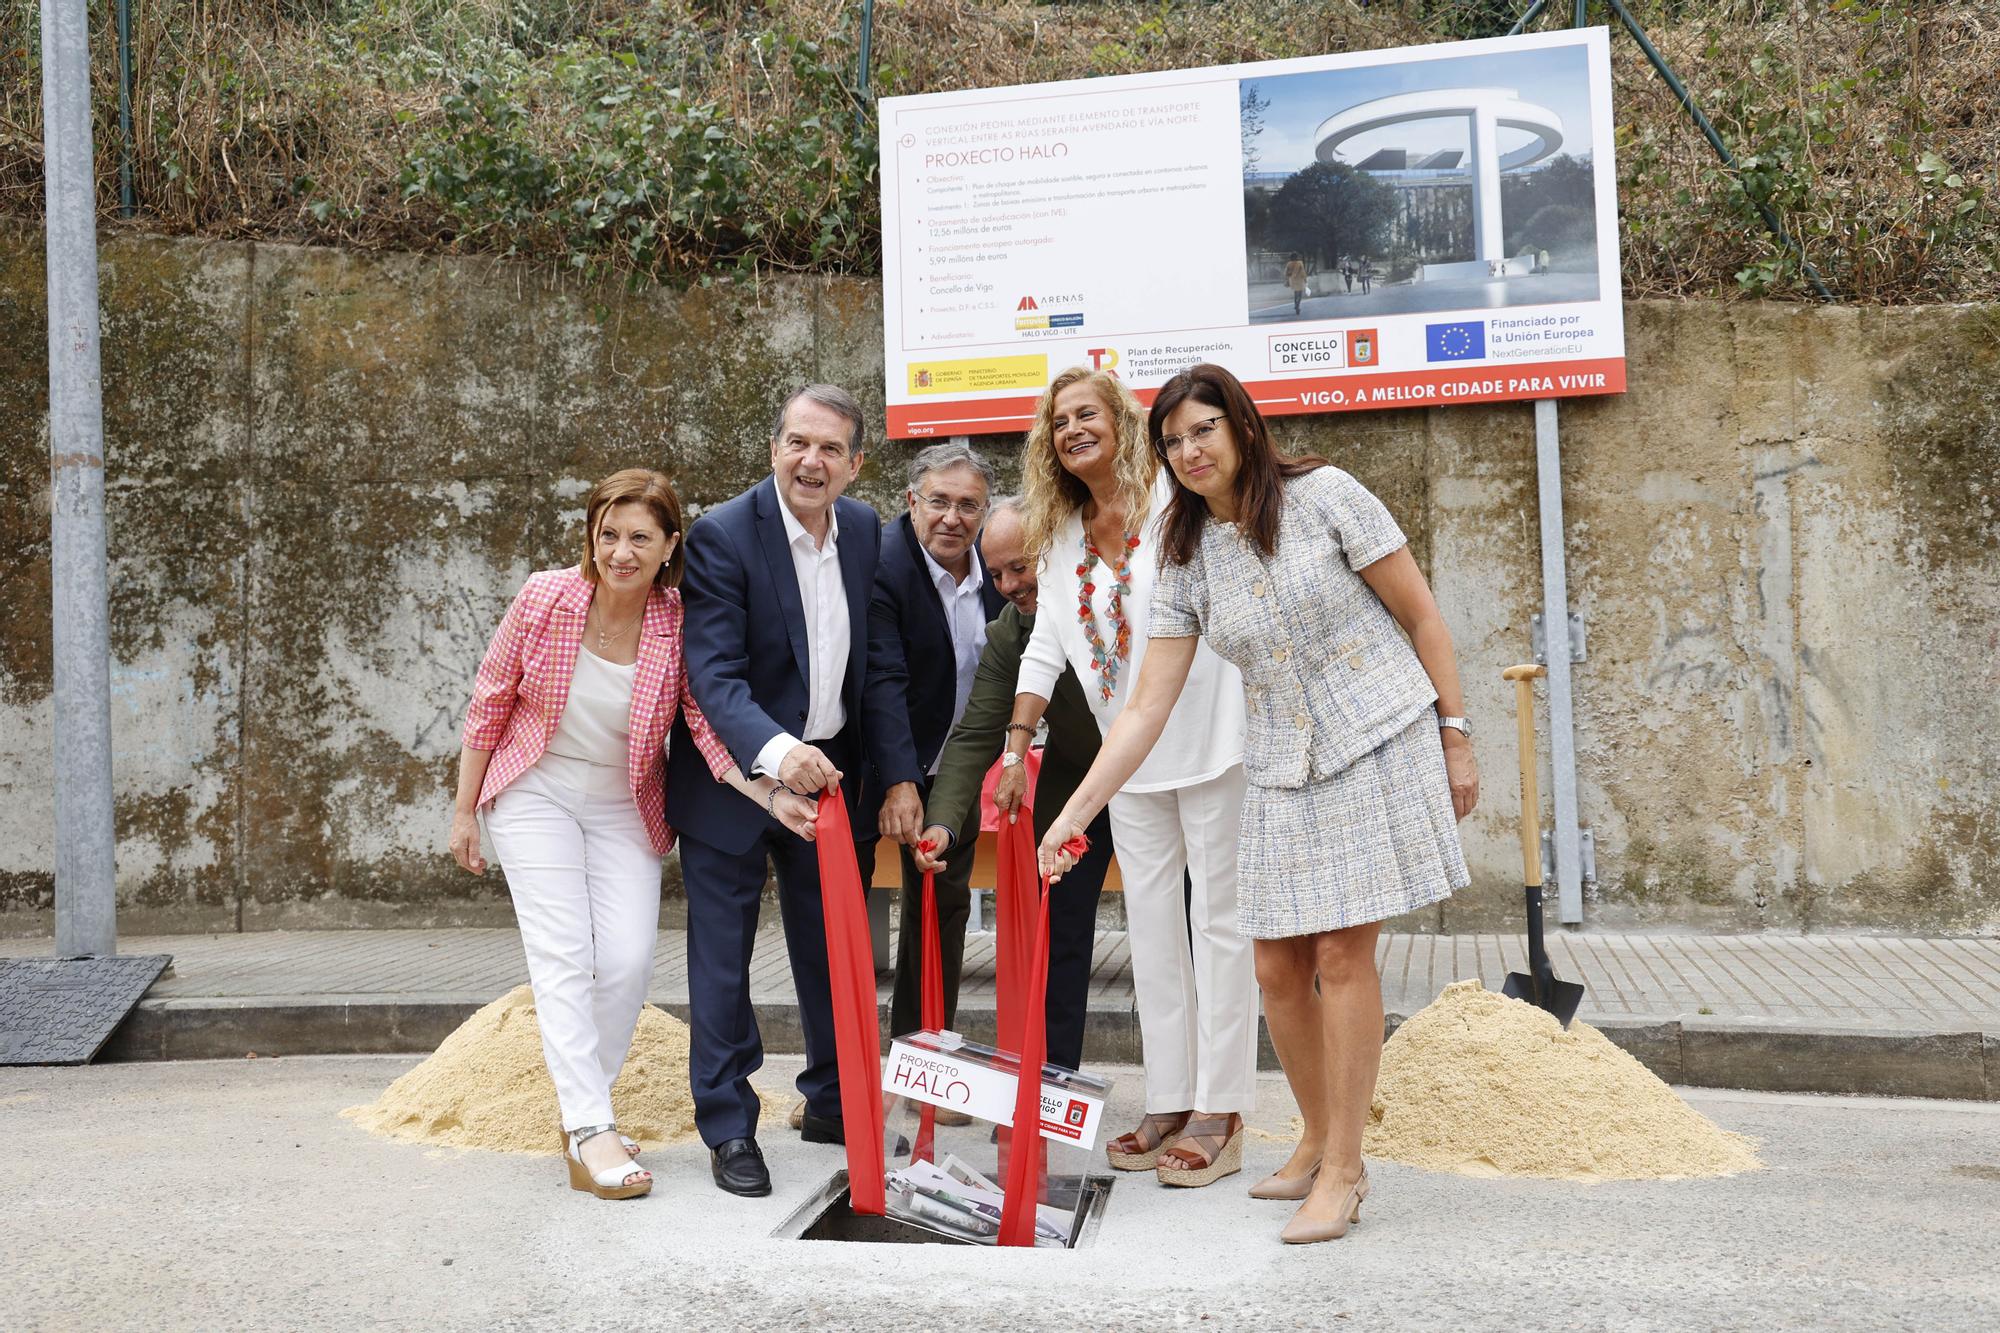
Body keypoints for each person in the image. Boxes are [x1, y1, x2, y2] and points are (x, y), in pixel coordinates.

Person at [1039, 364, 1478, 1246]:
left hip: (1373, 736)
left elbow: (1423, 616)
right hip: (1277, 759)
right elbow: (1146, 706)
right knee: (1275, 968)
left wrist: (1455, 731)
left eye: (1203, 429)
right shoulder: (1184, 552)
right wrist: (1075, 812)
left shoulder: (1327, 496)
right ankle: (1317, 1136)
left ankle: (1347, 1169)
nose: (1189, 451)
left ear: (1241, 425)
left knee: (1342, 957)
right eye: (1171, 440)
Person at [449, 468, 818, 1201]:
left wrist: (769, 794)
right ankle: (590, 1127)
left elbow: (708, 731)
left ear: (669, 545)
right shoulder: (545, 596)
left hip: (623, 795)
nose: (620, 551)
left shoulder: (674, 617)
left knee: (623, 960)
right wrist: (465, 810)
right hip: (536, 788)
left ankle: (584, 1108)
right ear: (591, 534)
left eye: (639, 537)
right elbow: (489, 704)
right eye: (607, 533)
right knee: (565, 952)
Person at [1003, 366, 1255, 1189]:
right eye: (1059, 419)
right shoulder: (1060, 531)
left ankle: (1223, 1107)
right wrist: (1017, 741)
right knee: (1149, 926)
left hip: (1211, 735)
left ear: (1121, 420)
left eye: (1088, 413)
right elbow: (1046, 644)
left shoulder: (1173, 505)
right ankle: (1171, 1095)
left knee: (1219, 922)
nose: (1074, 427)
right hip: (1129, 755)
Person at [664, 384, 913, 1198]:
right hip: (735, 780)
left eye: (831, 448)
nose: (812, 460)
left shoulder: (869, 529)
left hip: (833, 782)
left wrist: (897, 771)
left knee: (833, 948)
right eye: (798, 442)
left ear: (855, 464)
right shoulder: (722, 535)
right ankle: (729, 1126)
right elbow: (714, 673)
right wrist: (779, 754)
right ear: (774, 447)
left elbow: (876, 662)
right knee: (723, 964)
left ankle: (833, 1101)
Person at [912, 496, 1115, 1073]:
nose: (1006, 584)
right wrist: (943, 824)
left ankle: (1192, 1101)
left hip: (1159, 779)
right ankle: (1051, 1084)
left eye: (1019, 567)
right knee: (1055, 934)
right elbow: (975, 734)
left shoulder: (1114, 598)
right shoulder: (1010, 632)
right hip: (1075, 785)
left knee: (1180, 929)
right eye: (995, 572)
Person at [859, 442, 1005, 1049]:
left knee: (942, 913)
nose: (953, 518)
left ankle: (925, 1065)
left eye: (968, 505)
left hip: (958, 766)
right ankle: (840, 1081)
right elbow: (883, 679)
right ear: (912, 502)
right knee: (840, 913)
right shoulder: (882, 564)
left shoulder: (997, 570)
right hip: (877, 760)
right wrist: (900, 780)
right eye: (939, 502)